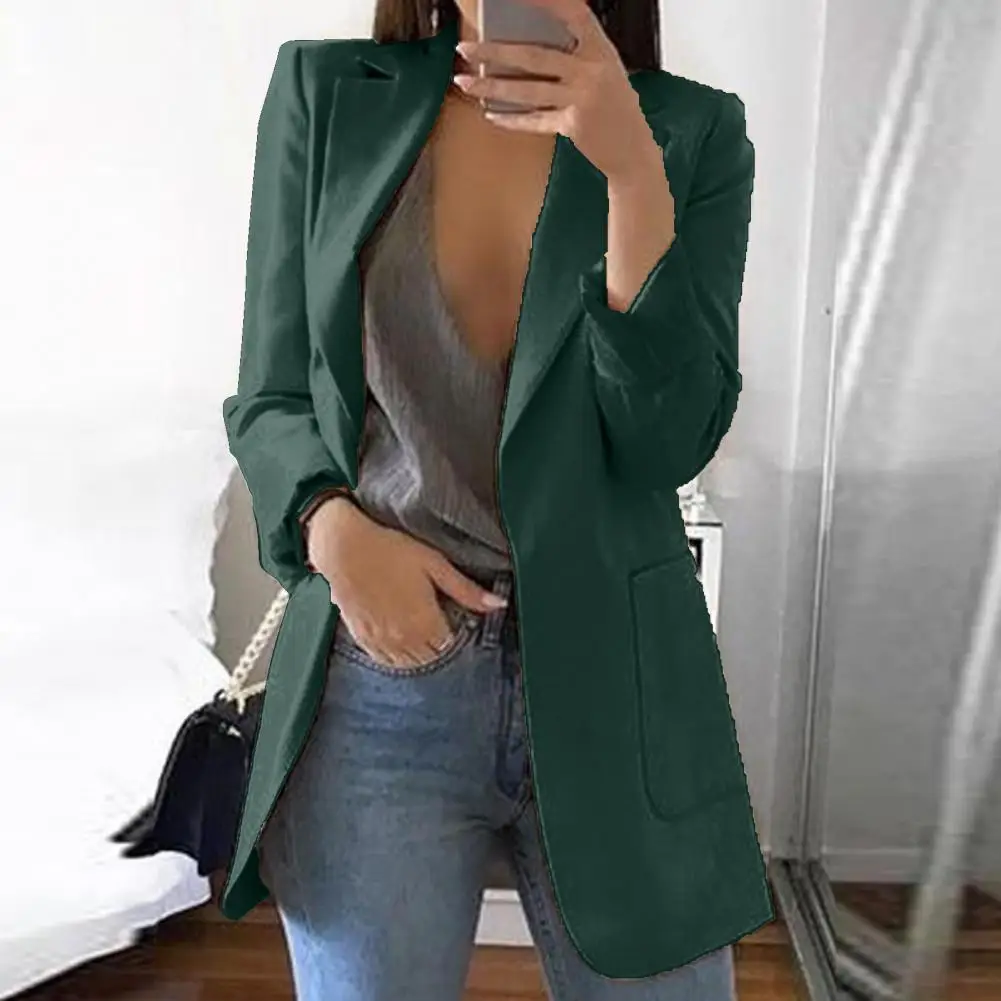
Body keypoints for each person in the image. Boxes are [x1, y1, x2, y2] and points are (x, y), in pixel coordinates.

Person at [227, 0, 766, 997]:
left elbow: (667, 441)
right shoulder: (327, 96)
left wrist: (632, 175)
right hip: (381, 674)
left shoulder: (693, 131)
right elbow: (270, 396)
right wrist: (333, 531)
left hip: (617, 682)